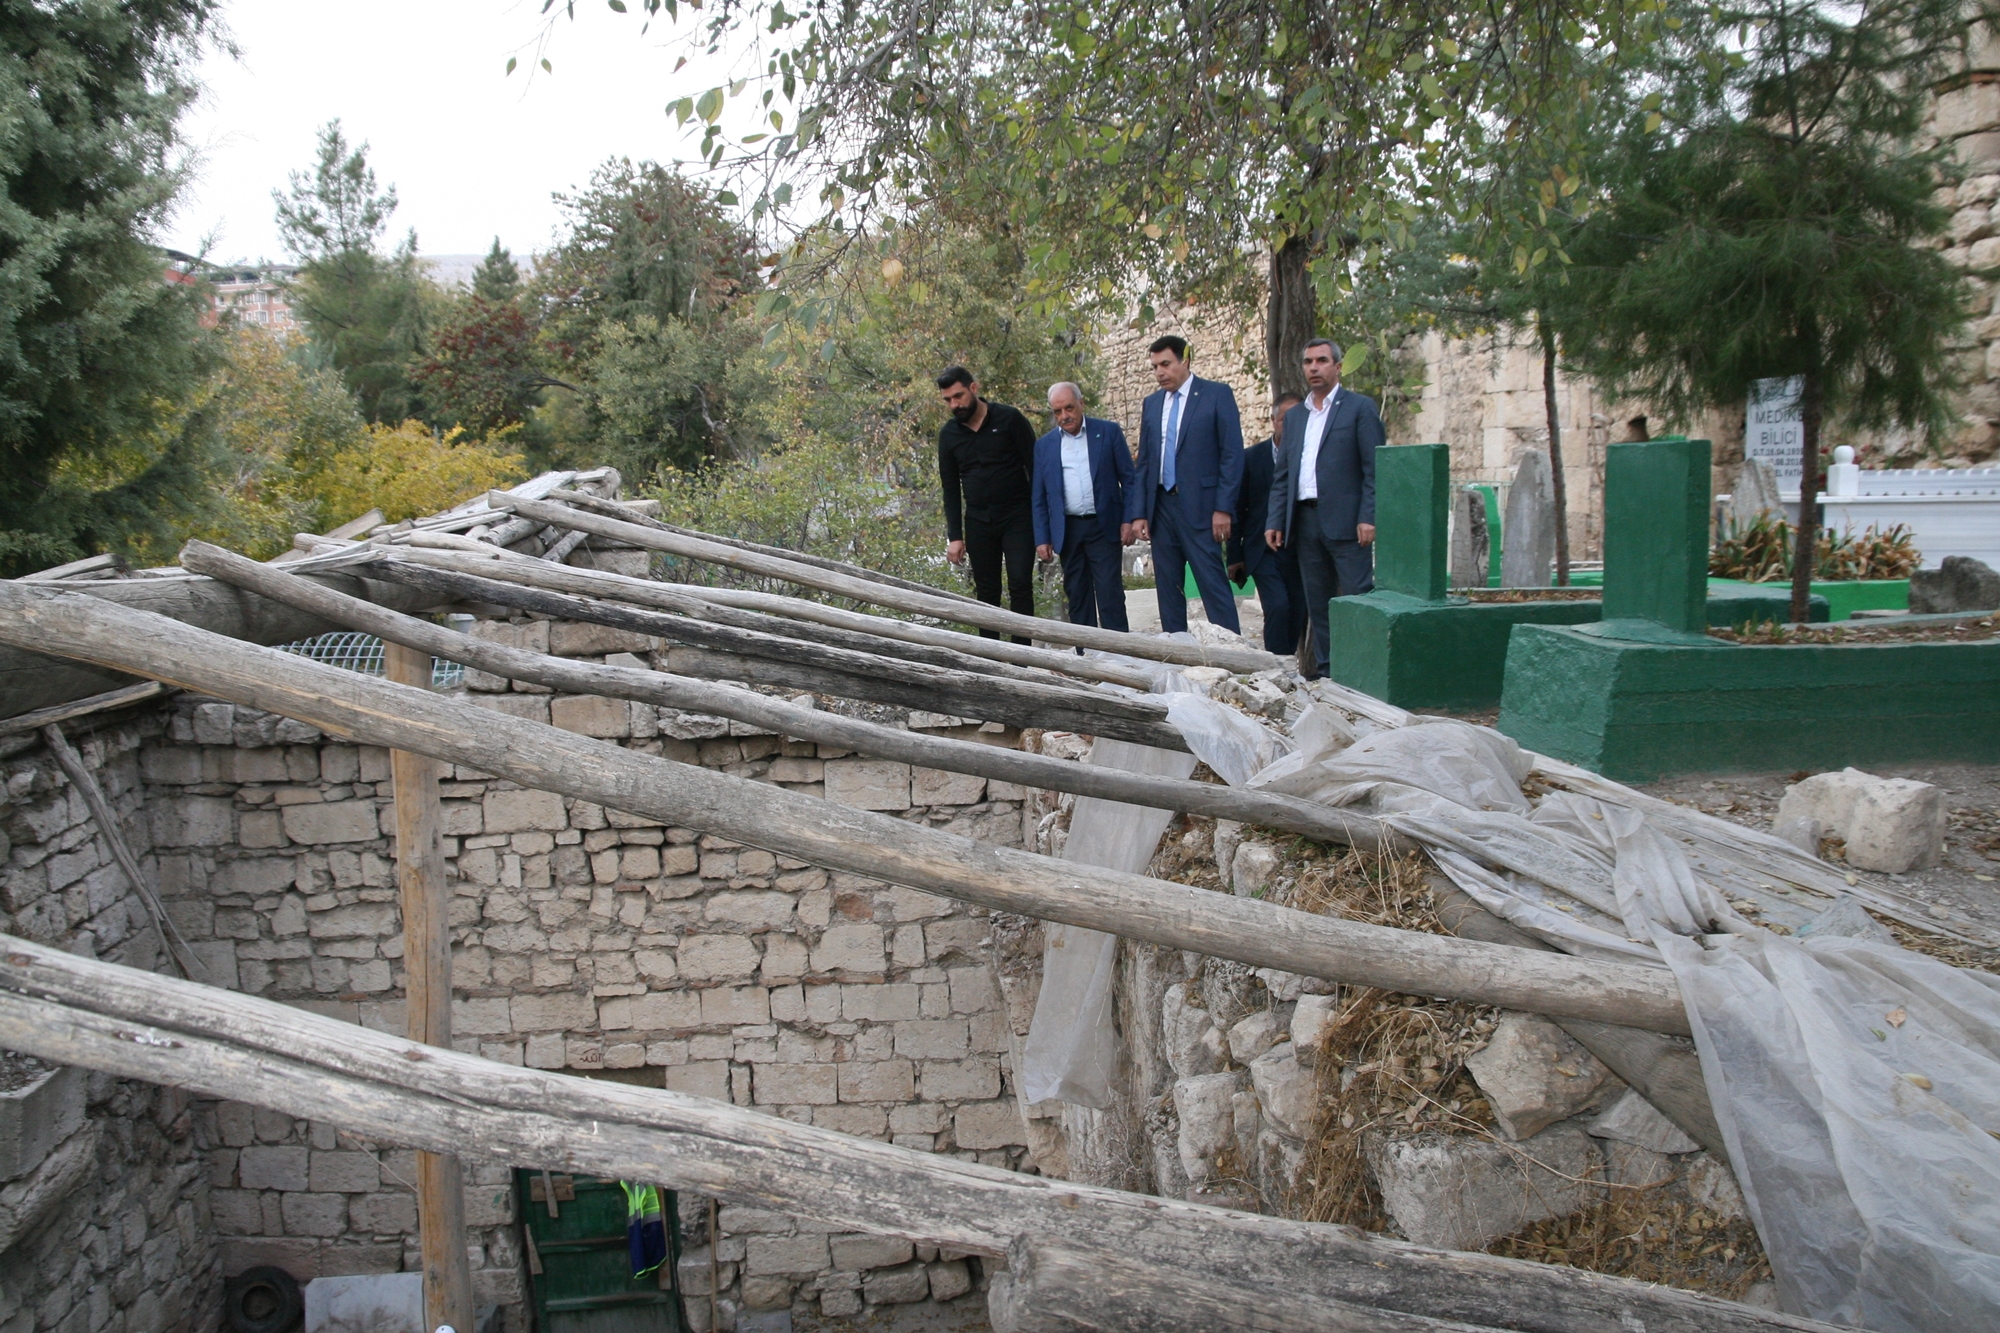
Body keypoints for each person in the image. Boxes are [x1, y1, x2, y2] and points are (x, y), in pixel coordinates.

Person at [1266, 338, 1381, 678]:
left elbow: (1374, 468)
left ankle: (1363, 673)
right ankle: (1328, 674)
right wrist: (1275, 518)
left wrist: (1368, 516)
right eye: (1308, 362)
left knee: (1357, 600)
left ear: (1337, 366)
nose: (1313, 367)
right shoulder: (1297, 416)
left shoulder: (1359, 408)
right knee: (1318, 603)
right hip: (1304, 521)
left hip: (1348, 523)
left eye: (1321, 360)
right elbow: (1283, 472)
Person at [1130, 336, 1244, 634]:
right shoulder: (1152, 404)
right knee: (1168, 588)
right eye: (1155, 367)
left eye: (1166, 364)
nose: (1160, 373)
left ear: (1185, 361)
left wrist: (1223, 508)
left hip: (1202, 508)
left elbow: (1232, 455)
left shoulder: (1216, 395)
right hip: (1161, 506)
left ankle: (1231, 653)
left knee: (1212, 584)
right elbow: (1145, 462)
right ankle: (1177, 653)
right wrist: (1140, 512)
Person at [936, 365, 1038, 643]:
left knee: (1019, 584)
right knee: (986, 592)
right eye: (948, 400)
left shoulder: (1010, 419)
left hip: (1018, 516)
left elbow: (1036, 467)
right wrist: (955, 537)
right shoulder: (949, 436)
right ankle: (991, 657)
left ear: (974, 388)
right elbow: (950, 488)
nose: (954, 404)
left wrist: (1043, 521)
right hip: (979, 521)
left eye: (958, 396)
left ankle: (1022, 657)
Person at [1032, 382, 1138, 631]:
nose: (1064, 416)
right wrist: (1042, 537)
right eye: (1057, 412)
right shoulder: (1044, 446)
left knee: (1110, 594)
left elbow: (1130, 479)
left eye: (1069, 408)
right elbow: (1039, 495)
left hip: (1104, 525)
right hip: (1068, 529)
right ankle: (1084, 655)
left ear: (1081, 404)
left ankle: (1120, 655)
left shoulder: (1108, 432)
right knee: (1077, 594)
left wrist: (1129, 519)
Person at [1227, 393, 1308, 656]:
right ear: (1273, 420)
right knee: (1277, 606)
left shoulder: (1310, 458)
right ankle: (1276, 664)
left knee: (1298, 608)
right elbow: (1238, 508)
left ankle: (1289, 661)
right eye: (1286, 419)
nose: (1293, 425)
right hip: (1261, 550)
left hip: (1299, 547)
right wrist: (1235, 555)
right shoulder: (1251, 458)